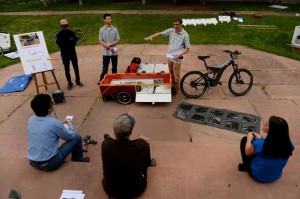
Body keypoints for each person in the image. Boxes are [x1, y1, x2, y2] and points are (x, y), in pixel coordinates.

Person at [27, 94, 89, 171]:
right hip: (49, 164)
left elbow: (47, 126)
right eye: (51, 102)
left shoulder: (31, 120)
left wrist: (60, 125)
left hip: (33, 161)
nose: (53, 104)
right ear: (49, 109)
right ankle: (78, 160)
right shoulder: (54, 123)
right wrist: (69, 124)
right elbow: (70, 136)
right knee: (76, 137)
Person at [101, 114, 156, 198]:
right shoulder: (140, 145)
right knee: (146, 148)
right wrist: (141, 138)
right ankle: (149, 163)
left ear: (115, 132)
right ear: (131, 132)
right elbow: (146, 143)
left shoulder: (105, 144)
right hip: (136, 190)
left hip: (110, 189)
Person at [239, 116, 294, 183]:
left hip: (257, 175)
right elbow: (272, 146)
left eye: (267, 124)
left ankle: (245, 166)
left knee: (244, 140)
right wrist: (260, 139)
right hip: (276, 176)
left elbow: (247, 152)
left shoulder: (260, 144)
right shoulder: (290, 145)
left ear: (272, 131)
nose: (264, 123)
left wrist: (249, 138)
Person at [144, 17, 191, 95]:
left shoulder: (185, 35)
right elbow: (160, 33)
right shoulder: (171, 30)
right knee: (170, 72)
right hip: (170, 56)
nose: (175, 26)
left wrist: (178, 55)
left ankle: (175, 90)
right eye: (174, 24)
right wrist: (152, 36)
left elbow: (187, 48)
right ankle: (171, 86)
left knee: (176, 75)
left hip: (177, 58)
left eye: (177, 24)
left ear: (181, 24)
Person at [56, 19, 84, 90]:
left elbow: (74, 41)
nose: (64, 26)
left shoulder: (71, 33)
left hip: (72, 53)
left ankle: (78, 81)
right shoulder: (59, 35)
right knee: (67, 69)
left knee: (75, 67)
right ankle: (69, 83)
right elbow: (59, 43)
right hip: (65, 54)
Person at [98, 14, 120, 85]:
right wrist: (108, 47)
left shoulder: (115, 29)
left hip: (114, 52)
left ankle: (115, 80)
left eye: (110, 19)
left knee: (114, 67)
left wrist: (109, 45)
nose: (109, 20)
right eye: (108, 19)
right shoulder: (101, 30)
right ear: (104, 20)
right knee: (105, 67)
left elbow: (117, 40)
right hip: (106, 53)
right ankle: (101, 80)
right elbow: (101, 41)